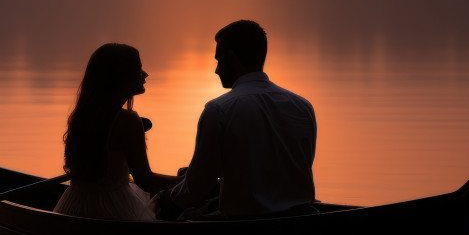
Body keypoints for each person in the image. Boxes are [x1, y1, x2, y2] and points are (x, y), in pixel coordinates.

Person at [156, 20, 316, 219]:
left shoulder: (219, 109)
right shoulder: (302, 106)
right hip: (300, 219)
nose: (216, 70)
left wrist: (167, 199)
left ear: (231, 58)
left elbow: (198, 187)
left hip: (242, 225)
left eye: (219, 60)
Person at [53, 43, 179, 220]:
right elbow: (145, 181)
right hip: (112, 210)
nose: (145, 74)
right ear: (121, 77)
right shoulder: (128, 121)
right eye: (138, 69)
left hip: (76, 203)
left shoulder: (83, 115)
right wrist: (191, 181)